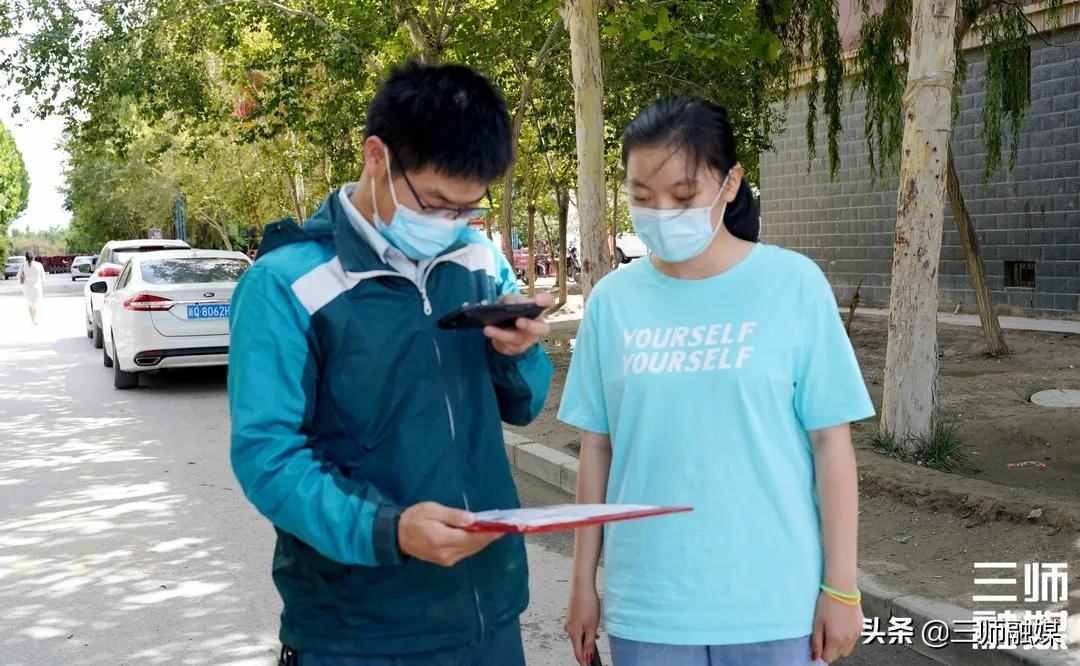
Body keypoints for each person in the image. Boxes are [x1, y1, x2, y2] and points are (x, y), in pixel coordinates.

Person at [228, 61, 554, 666]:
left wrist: (519, 353)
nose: (450, 225)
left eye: (467, 210)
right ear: (376, 157)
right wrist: (390, 530)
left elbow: (525, 404)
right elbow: (267, 457)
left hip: (490, 613)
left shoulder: (478, 262)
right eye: (434, 203)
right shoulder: (286, 285)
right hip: (359, 632)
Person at [559, 97, 874, 666]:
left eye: (682, 197)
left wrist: (842, 587)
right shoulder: (611, 303)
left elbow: (832, 445)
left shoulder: (793, 286)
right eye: (641, 197)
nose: (660, 212)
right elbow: (597, 448)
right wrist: (583, 581)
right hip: (649, 606)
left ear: (730, 184)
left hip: (774, 602)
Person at [18, 252, 46, 325]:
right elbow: (43, 277)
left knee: (29, 304)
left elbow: (18, 276)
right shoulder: (39, 265)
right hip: (36, 287)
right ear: (34, 257)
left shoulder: (23, 265)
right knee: (35, 304)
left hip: (26, 287)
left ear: (26, 257)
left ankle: (32, 319)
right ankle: (34, 319)